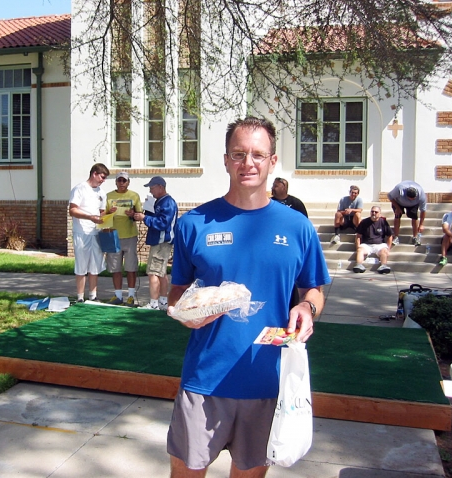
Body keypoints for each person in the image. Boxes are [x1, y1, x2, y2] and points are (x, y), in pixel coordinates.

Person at [166, 116, 330, 477]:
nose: (248, 163)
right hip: (204, 378)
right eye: (238, 154)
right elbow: (176, 294)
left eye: (258, 154)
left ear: (273, 161)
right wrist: (182, 311)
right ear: (225, 159)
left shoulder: (297, 226)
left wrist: (306, 307)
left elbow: (314, 290)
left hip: (266, 379)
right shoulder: (194, 223)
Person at [133, 176, 178, 311]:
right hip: (160, 242)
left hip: (161, 242)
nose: (151, 191)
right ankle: (163, 302)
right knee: (161, 273)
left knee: (153, 273)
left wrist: (145, 218)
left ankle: (153, 304)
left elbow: (163, 223)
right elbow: (155, 217)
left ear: (160, 187)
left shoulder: (167, 202)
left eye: (152, 188)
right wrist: (145, 211)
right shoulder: (159, 201)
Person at [69, 163, 109, 302]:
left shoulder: (101, 193)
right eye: (102, 177)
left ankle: (93, 296)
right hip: (82, 231)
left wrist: (107, 216)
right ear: (94, 174)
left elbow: (102, 212)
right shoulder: (80, 188)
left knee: (95, 265)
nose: (103, 180)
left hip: (96, 233)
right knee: (81, 264)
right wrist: (90, 217)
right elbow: (72, 210)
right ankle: (80, 297)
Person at [105, 172, 142, 306]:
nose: (121, 183)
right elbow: (102, 216)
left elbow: (140, 214)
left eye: (124, 181)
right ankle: (118, 295)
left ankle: (131, 296)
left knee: (131, 267)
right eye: (119, 180)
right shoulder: (108, 196)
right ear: (115, 182)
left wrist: (133, 214)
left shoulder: (134, 195)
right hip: (113, 235)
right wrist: (109, 212)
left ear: (128, 182)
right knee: (115, 267)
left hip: (130, 235)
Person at [353, 206, 393, 274]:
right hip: (367, 245)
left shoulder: (383, 222)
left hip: (380, 245)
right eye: (372, 211)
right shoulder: (364, 222)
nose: (373, 213)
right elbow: (358, 236)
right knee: (360, 250)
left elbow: (390, 236)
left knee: (384, 251)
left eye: (376, 212)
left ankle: (383, 266)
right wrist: (358, 247)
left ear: (380, 214)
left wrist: (388, 248)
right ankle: (359, 265)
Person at [386, 180, 427, 246]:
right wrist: (397, 208)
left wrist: (421, 224)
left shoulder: (421, 195)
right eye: (410, 199)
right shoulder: (399, 189)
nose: (411, 200)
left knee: (414, 217)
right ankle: (396, 237)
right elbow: (389, 196)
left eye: (413, 198)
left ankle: (415, 237)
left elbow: (423, 210)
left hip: (414, 205)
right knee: (397, 216)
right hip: (398, 202)